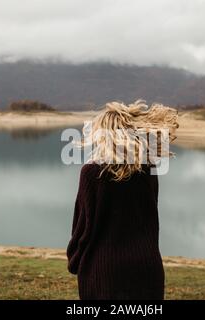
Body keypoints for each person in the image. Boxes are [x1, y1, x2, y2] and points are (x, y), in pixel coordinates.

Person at [66, 100, 179, 299]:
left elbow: (83, 227)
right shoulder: (149, 170)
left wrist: (74, 261)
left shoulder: (92, 173)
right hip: (148, 267)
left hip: (104, 271)